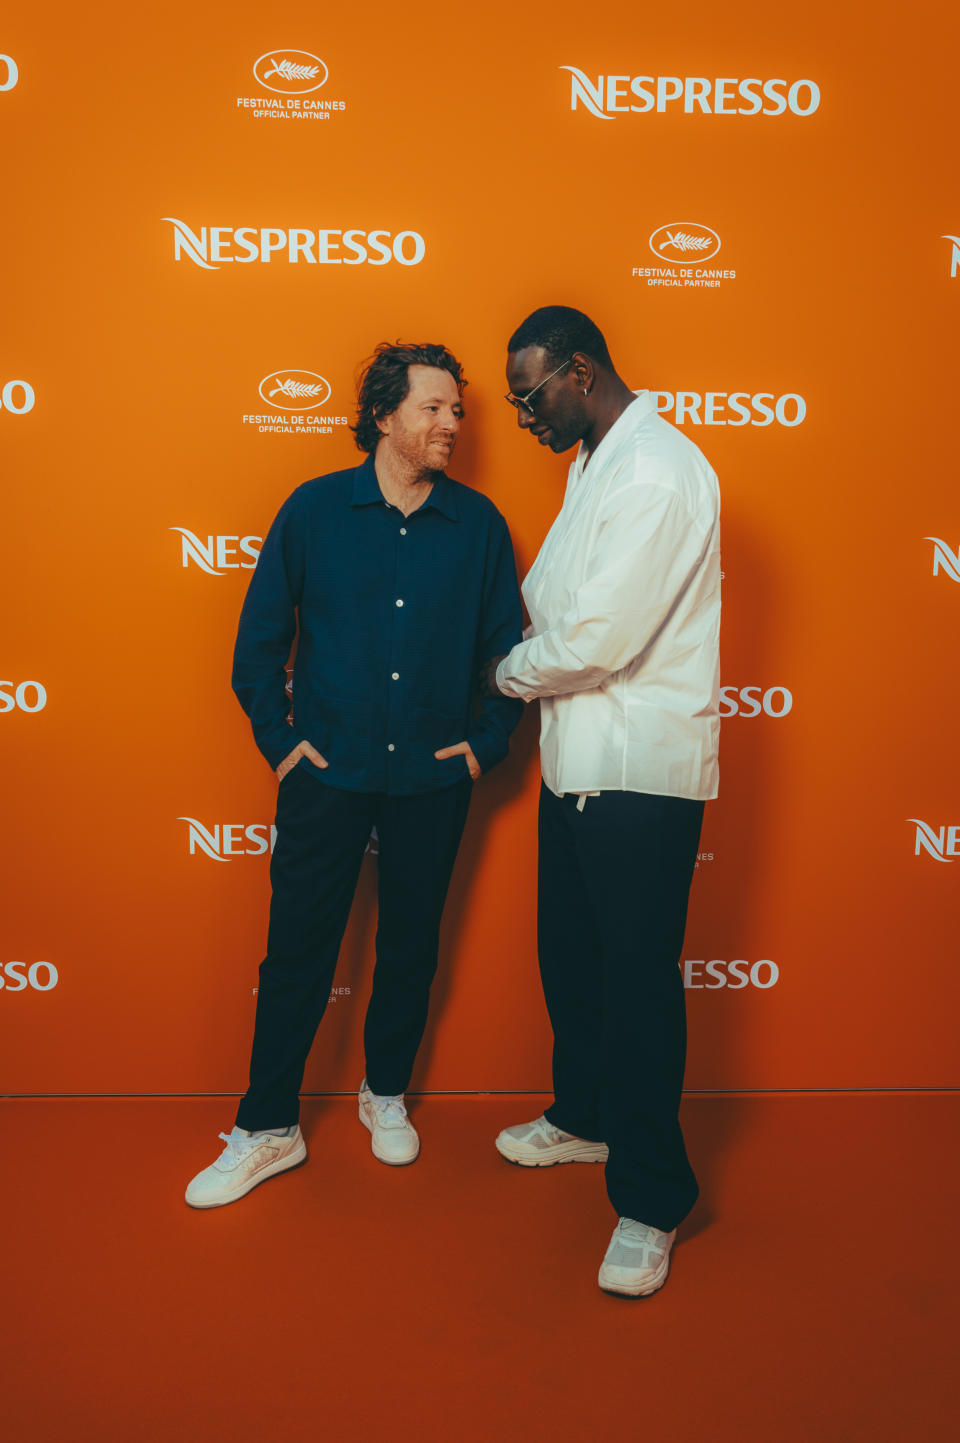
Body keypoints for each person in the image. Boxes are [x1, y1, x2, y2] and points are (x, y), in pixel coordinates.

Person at [186, 342, 523, 1209]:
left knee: (409, 946)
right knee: (297, 950)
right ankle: (267, 1126)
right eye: (434, 408)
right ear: (384, 415)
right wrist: (283, 742)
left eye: (458, 411)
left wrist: (487, 741)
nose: (452, 424)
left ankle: (384, 1092)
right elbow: (257, 648)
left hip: (433, 775)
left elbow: (509, 654)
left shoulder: (479, 525)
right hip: (325, 771)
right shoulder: (313, 511)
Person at [482, 306, 720, 1297]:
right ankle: (582, 1118)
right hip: (575, 765)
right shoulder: (595, 458)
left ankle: (653, 1201)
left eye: (530, 398)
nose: (523, 419)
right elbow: (552, 602)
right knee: (570, 960)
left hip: (638, 776)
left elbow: (596, 643)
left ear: (581, 371)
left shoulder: (659, 473)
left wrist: (493, 673)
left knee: (635, 986)